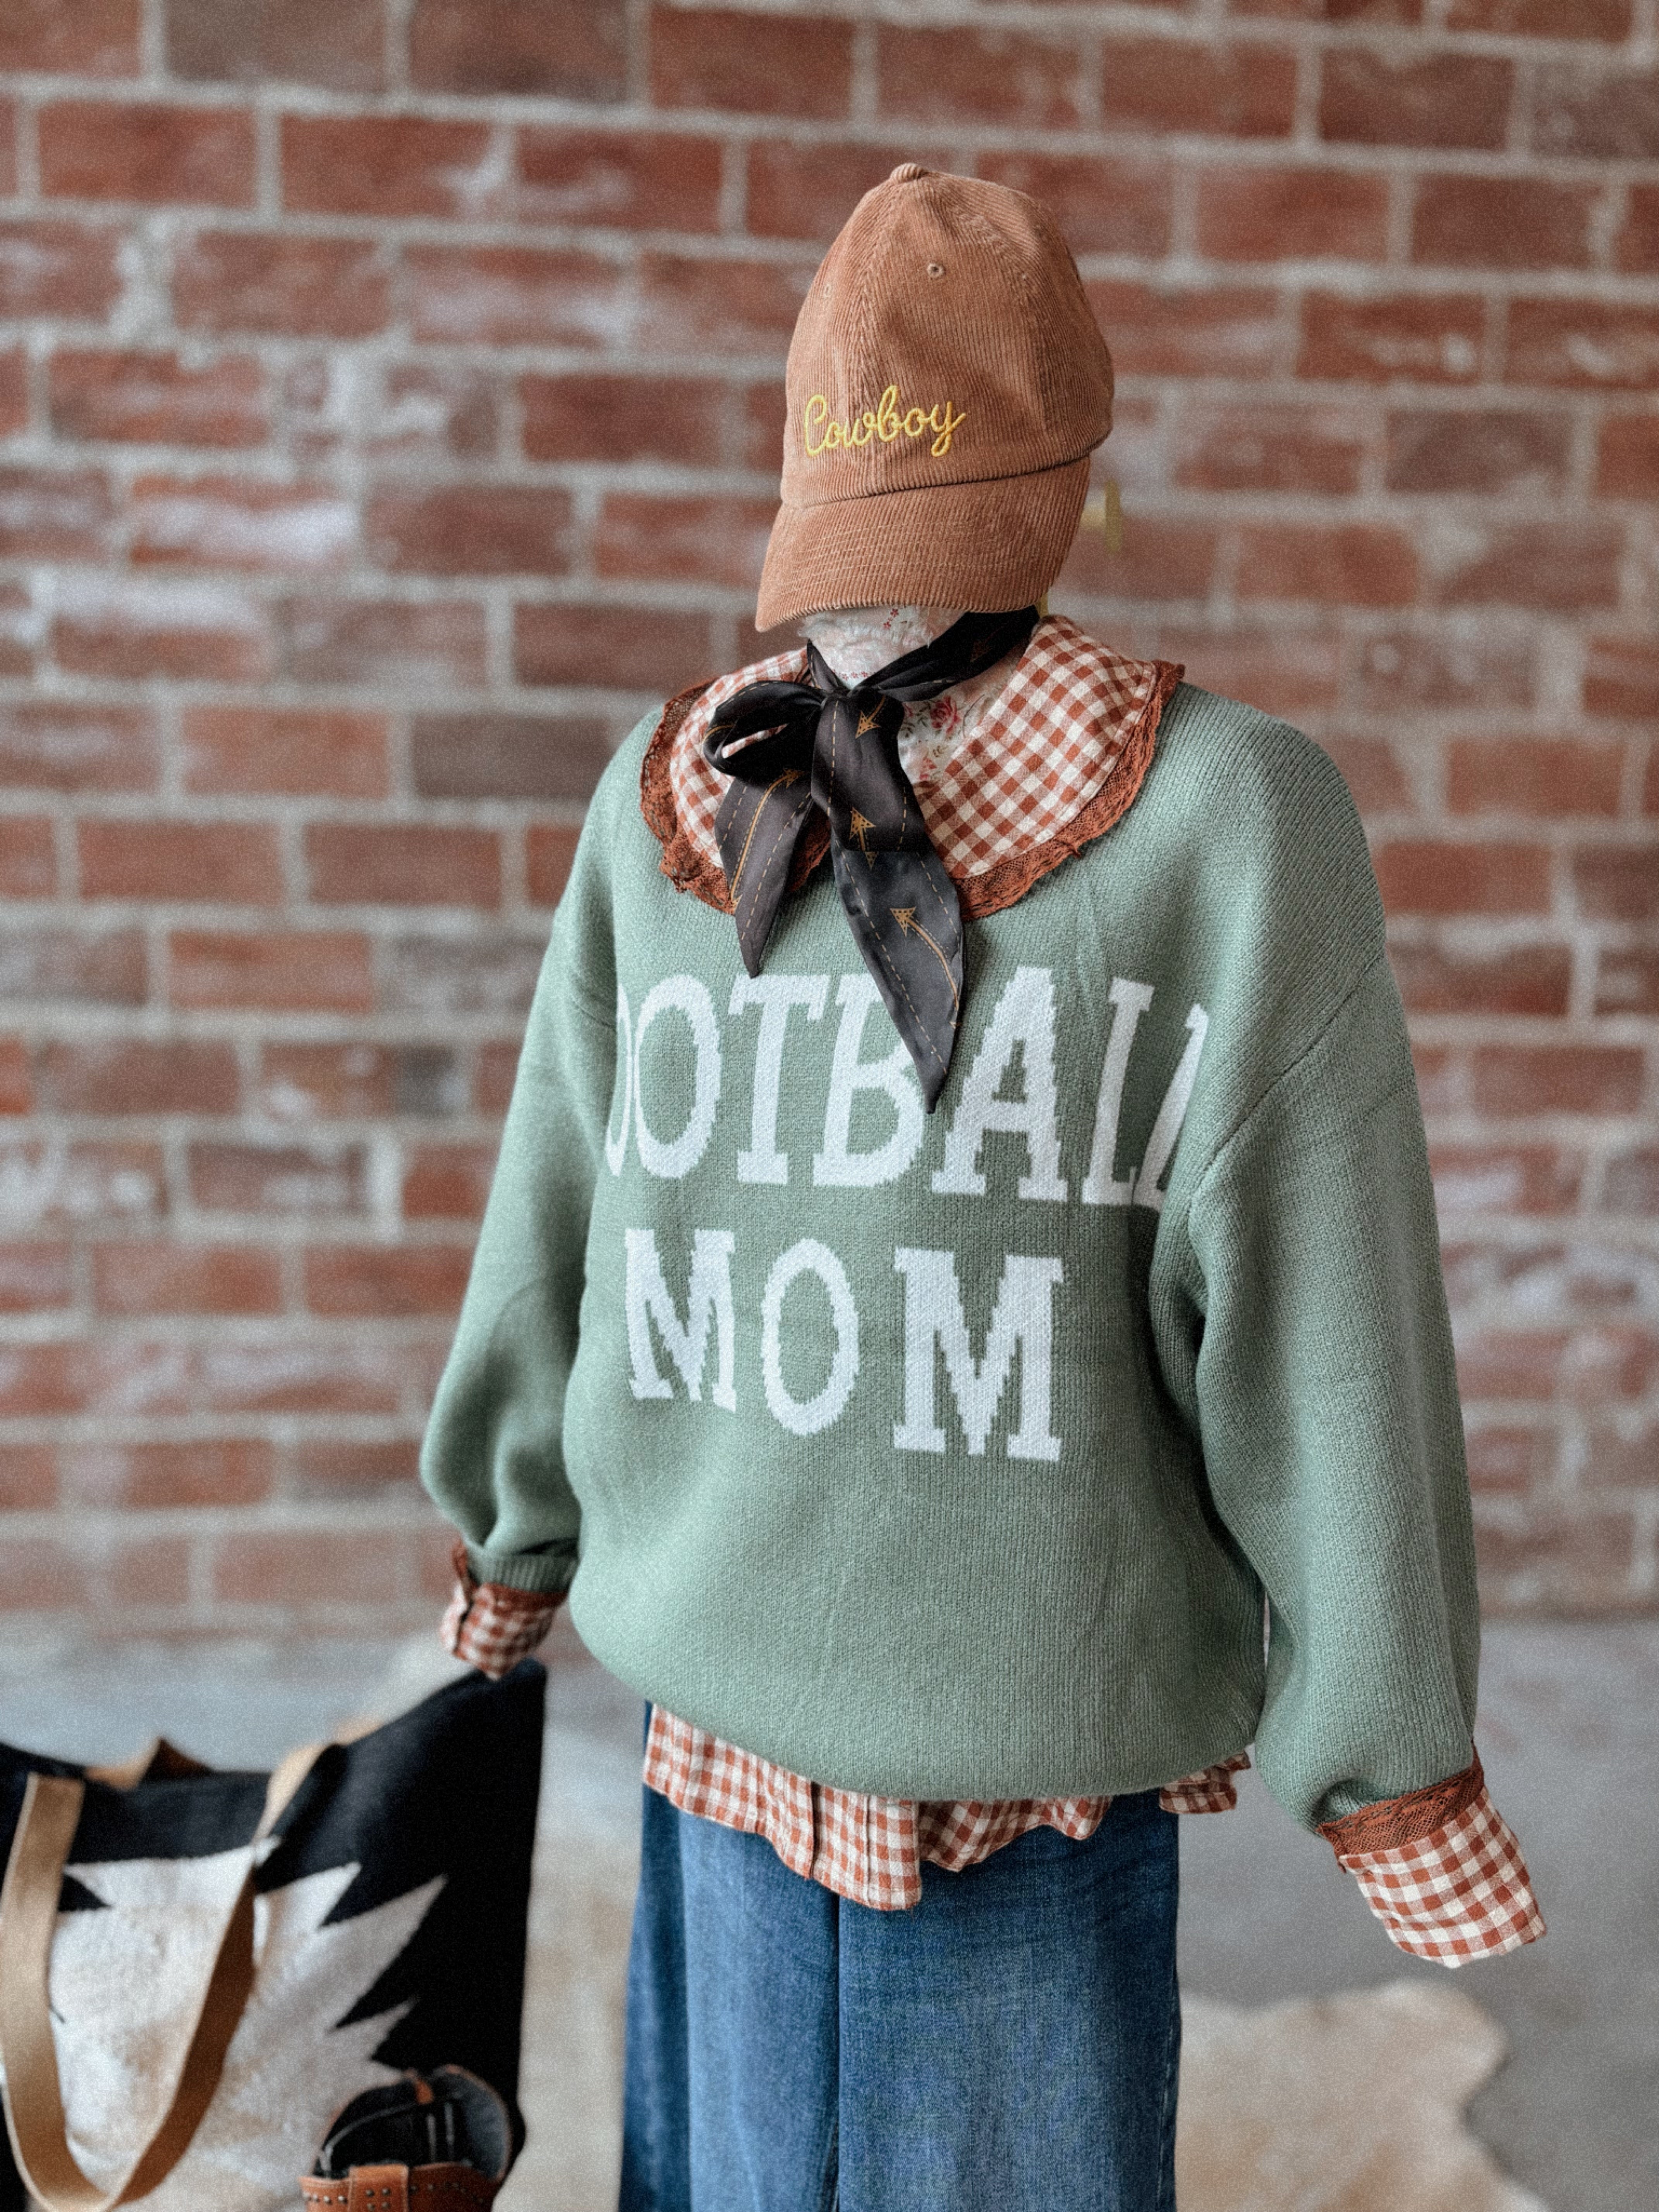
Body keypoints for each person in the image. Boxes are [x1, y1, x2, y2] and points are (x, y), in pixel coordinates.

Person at [422, 165, 1542, 2212]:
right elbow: (564, 1203)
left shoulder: (1197, 824)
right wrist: (508, 1541)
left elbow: (1320, 1309)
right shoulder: (689, 799)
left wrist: (508, 1560)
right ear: (1072, 469)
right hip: (743, 1750)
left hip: (1016, 1776)